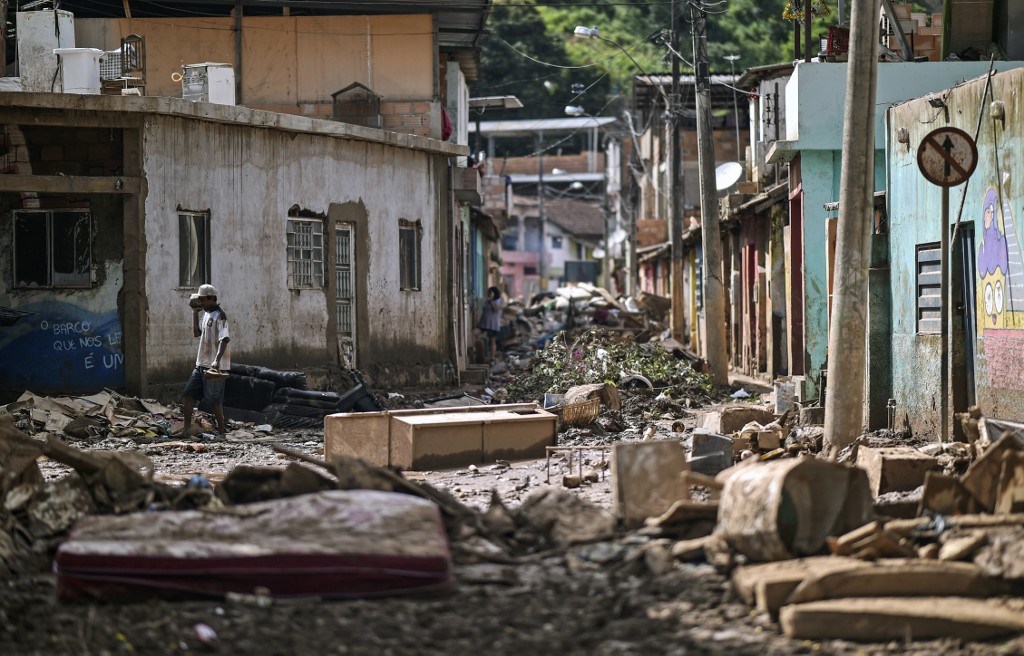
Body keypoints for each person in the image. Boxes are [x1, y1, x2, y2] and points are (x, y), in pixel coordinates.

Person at [175, 283, 231, 438]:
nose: (201, 303)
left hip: (214, 366)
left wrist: (217, 361)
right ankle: (186, 431)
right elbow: (196, 333)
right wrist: (194, 313)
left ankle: (221, 433)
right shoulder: (206, 314)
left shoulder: (220, 315)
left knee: (214, 401)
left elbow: (224, 339)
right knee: (187, 395)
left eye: (203, 300)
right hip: (201, 363)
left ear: (212, 299)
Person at [478, 286, 503, 362]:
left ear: (494, 293)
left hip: (493, 325)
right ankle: (477, 352)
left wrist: (492, 301)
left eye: (490, 292)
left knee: (492, 341)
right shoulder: (487, 301)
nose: (488, 294)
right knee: (474, 333)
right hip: (484, 324)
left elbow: (495, 309)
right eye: (488, 292)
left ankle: (492, 358)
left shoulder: (498, 301)